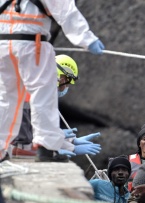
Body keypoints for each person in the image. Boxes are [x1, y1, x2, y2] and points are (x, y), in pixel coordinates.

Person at [0, 0, 105, 162]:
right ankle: (47, 148)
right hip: (31, 44)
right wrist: (87, 39)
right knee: (43, 96)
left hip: (3, 45)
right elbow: (66, 10)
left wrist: (68, 142)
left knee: (6, 98)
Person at [10, 54, 101, 159]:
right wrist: (61, 149)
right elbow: (24, 143)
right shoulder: (32, 96)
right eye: (66, 83)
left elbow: (40, 133)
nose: (66, 88)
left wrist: (71, 141)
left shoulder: (39, 93)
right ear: (61, 78)